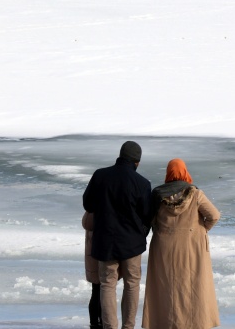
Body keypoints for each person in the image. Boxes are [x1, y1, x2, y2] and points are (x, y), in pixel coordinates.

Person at [142, 158, 221, 329]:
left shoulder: (157, 194)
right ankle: (195, 322)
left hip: (164, 247)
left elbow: (148, 220)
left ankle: (165, 323)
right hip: (192, 247)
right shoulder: (195, 194)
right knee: (192, 285)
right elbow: (214, 215)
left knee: (166, 286)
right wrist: (202, 229)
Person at [83, 141, 153, 329]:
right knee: (132, 284)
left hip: (105, 241)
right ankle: (128, 326)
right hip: (132, 244)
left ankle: (110, 327)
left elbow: (88, 205)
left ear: (120, 156)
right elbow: (148, 215)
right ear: (137, 161)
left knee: (107, 284)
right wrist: (141, 234)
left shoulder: (100, 175)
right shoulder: (142, 183)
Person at [82, 211, 102, 328]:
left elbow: (86, 223)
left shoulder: (92, 209)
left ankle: (95, 322)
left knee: (97, 290)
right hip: (97, 252)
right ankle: (97, 322)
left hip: (94, 252)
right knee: (99, 290)